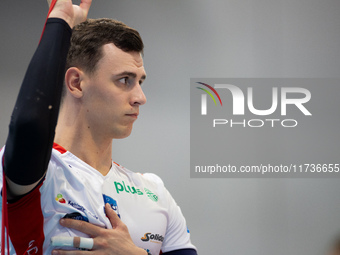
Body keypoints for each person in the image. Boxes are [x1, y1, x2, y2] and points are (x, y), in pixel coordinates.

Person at [0, 0, 197, 254]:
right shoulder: (41, 172)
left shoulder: (155, 193)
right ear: (76, 83)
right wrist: (60, 21)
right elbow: (29, 125)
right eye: (124, 80)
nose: (140, 97)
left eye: (140, 81)